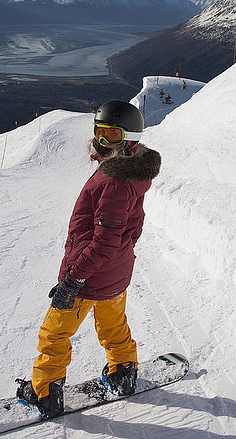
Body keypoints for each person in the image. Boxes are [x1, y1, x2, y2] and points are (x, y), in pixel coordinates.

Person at [16, 100, 161, 418]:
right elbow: (130, 229)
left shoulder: (114, 182)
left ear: (130, 139)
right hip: (114, 275)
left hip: (88, 277)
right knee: (113, 325)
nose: (101, 141)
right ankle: (123, 373)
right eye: (99, 131)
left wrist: (74, 277)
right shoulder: (129, 174)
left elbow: (105, 241)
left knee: (54, 333)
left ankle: (45, 394)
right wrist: (121, 258)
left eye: (111, 134)